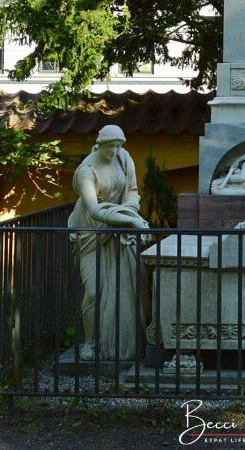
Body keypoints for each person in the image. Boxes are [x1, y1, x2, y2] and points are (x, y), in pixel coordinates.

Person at [68, 125, 150, 361]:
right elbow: (94, 210)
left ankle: (117, 342)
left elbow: (133, 191)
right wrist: (131, 221)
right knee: (93, 292)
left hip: (118, 230)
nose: (115, 151)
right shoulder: (86, 171)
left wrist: (130, 211)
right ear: (99, 144)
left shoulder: (124, 158)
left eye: (118, 145)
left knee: (127, 286)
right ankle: (90, 343)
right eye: (110, 146)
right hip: (90, 233)